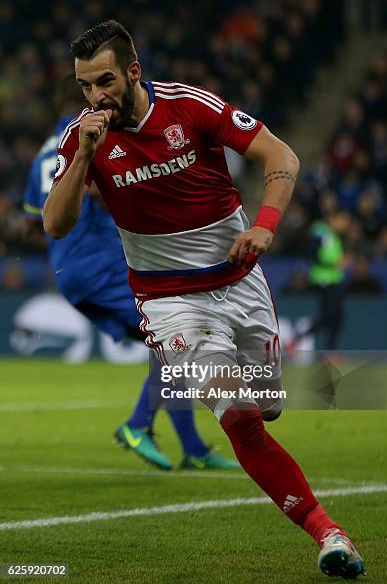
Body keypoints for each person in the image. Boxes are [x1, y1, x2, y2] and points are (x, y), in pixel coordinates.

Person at [43, 20, 365, 579]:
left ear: (134, 72)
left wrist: (264, 227)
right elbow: (55, 223)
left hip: (240, 282)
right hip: (169, 302)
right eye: (85, 87)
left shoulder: (189, 108)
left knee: (266, 404)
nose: (95, 97)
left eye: (105, 82)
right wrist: (83, 158)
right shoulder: (83, 137)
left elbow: (281, 155)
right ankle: (328, 532)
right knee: (238, 415)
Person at [24, 74, 238, 472]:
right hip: (101, 262)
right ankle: (139, 425)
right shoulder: (89, 142)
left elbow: (33, 220)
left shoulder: (44, 153)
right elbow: (112, 190)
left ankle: (193, 448)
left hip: (69, 271)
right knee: (179, 335)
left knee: (171, 345)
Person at [295, 211, 349, 350]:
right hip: (323, 280)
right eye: (342, 220)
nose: (345, 224)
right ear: (332, 219)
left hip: (335, 280)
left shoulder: (335, 237)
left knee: (337, 318)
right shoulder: (321, 232)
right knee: (328, 317)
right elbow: (313, 255)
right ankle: (297, 340)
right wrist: (334, 264)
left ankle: (330, 352)